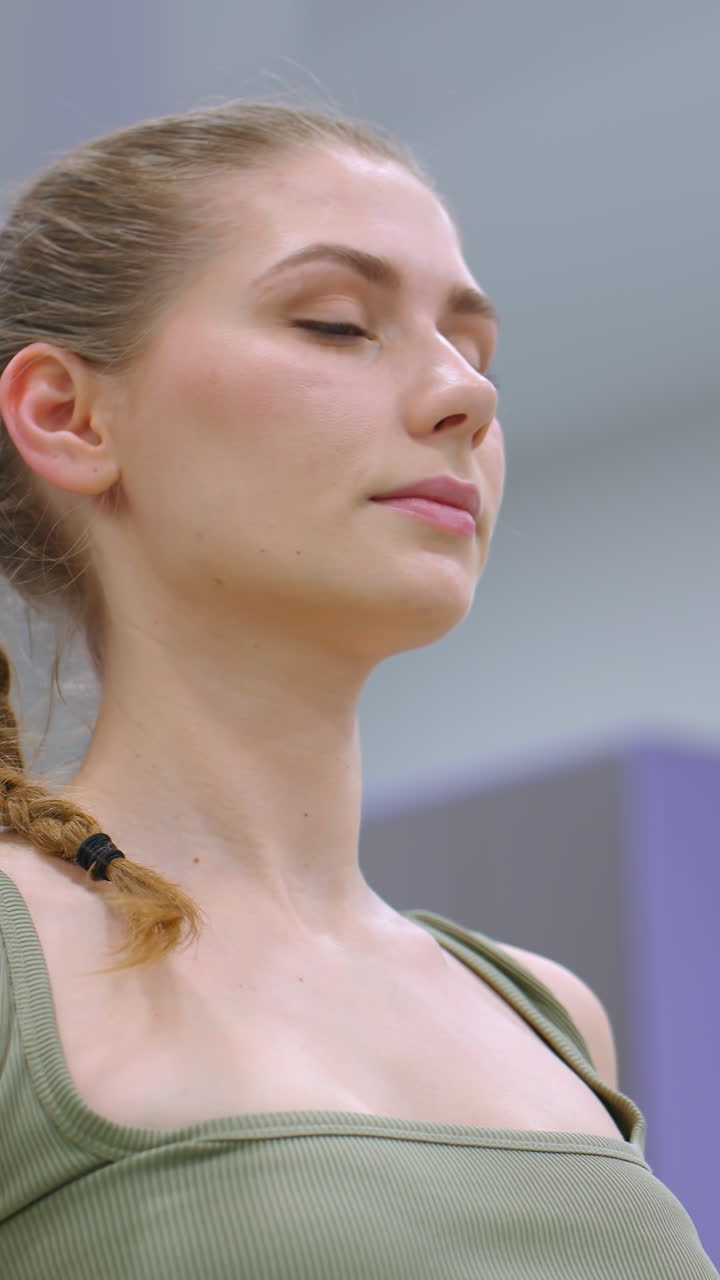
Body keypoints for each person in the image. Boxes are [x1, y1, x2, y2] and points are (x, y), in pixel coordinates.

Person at [0, 100, 715, 1280]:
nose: (466, 399)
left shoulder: (548, 1011)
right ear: (68, 416)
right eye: (337, 325)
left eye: (475, 352)